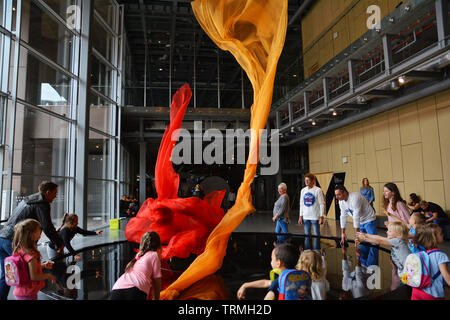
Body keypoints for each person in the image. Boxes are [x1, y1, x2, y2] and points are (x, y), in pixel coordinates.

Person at [0, 181, 64, 300]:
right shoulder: (42, 203)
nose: (55, 196)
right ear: (48, 192)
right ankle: (26, 294)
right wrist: (59, 243)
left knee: (8, 274)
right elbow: (47, 226)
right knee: (26, 270)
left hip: (2, 238)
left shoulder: (28, 199)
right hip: (14, 241)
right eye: (54, 193)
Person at [356, 221, 411, 291]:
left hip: (407, 271)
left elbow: (379, 241)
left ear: (398, 235)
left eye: (390, 231)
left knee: (403, 289)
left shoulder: (398, 241)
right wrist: (366, 235)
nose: (387, 232)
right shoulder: (397, 240)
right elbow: (379, 237)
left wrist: (364, 239)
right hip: (403, 270)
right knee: (401, 287)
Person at [11, 219, 56, 300]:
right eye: (39, 229)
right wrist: (49, 276)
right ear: (32, 234)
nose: (41, 231)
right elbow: (34, 276)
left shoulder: (21, 249)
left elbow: (27, 270)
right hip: (28, 293)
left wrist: (43, 266)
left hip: (21, 291)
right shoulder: (31, 254)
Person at [335, 184, 378, 267]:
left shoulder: (355, 197)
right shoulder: (341, 202)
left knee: (373, 242)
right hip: (361, 222)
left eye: (338, 194)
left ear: (345, 192)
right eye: (336, 195)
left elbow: (356, 217)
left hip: (369, 219)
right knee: (362, 243)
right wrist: (343, 233)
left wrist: (356, 236)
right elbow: (343, 216)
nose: (337, 197)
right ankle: (364, 265)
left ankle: (372, 266)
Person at [110, 231, 162, 300]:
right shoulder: (154, 255)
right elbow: (157, 281)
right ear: (158, 244)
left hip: (117, 288)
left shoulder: (139, 255)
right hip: (135, 290)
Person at [410, 223, 450, 300]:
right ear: (434, 238)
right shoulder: (440, 255)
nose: (443, 235)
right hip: (432, 294)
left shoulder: (421, 254)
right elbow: (446, 275)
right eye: (441, 234)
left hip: (417, 291)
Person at [298, 173, 325, 250]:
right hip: (305, 217)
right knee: (307, 236)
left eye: (308, 180)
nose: (306, 181)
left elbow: (322, 204)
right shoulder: (303, 190)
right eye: (305, 180)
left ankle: (317, 252)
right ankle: (307, 253)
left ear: (313, 181)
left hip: (315, 217)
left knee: (316, 235)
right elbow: (301, 204)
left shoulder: (318, 190)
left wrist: (321, 216)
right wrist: (300, 216)